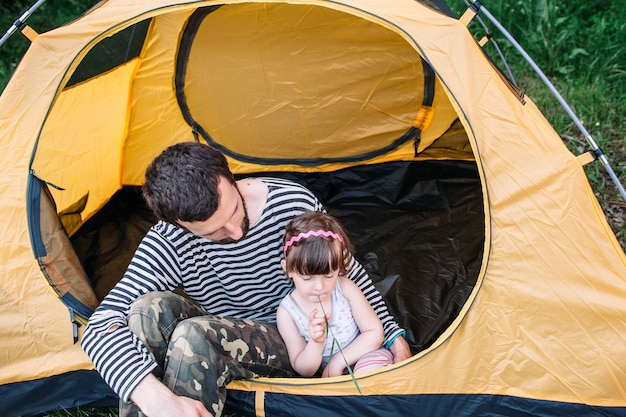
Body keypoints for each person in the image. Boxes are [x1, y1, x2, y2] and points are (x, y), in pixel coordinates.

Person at [81, 142, 410, 417]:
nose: (236, 232)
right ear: (178, 225)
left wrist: (392, 335)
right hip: (224, 325)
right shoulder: (167, 241)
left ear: (229, 177)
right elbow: (100, 326)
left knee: (195, 335)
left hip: (293, 335)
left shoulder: (291, 204)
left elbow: (343, 272)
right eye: (215, 233)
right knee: (145, 310)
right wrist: (155, 398)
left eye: (235, 211)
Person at [277, 211, 394, 378]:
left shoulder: (345, 289)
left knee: (367, 371)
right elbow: (304, 369)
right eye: (307, 278)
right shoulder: (288, 312)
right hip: (330, 379)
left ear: (339, 267)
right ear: (288, 268)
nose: (319, 286)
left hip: (366, 356)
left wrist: (337, 363)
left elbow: (374, 332)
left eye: (328, 276)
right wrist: (316, 343)